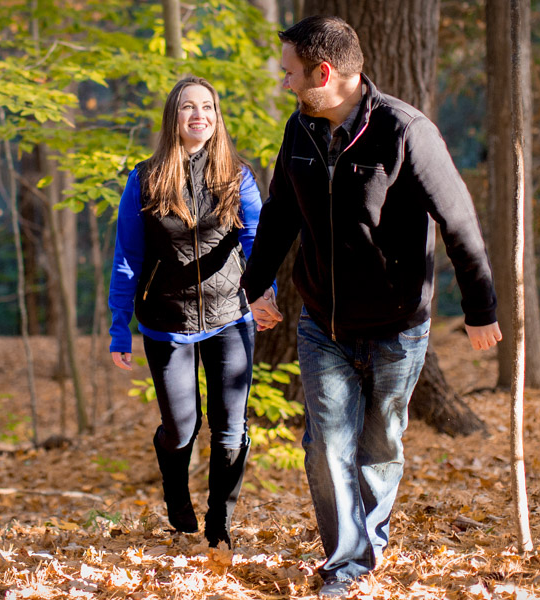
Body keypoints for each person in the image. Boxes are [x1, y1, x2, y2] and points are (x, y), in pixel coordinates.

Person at [241, 16, 503, 598]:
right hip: (322, 326)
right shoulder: (300, 131)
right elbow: (282, 213)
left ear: (324, 73)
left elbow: (458, 223)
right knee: (325, 445)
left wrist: (482, 308)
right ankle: (349, 561)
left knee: (381, 443)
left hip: (397, 326)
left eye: (290, 73)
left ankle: (368, 539)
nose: (285, 83)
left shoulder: (405, 131)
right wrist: (255, 287)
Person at [109, 75, 272, 548]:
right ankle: (175, 491)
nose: (199, 114)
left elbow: (256, 239)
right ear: (173, 118)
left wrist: (264, 294)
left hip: (230, 317)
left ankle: (220, 521)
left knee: (230, 431)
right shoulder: (144, 178)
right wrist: (121, 327)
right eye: (188, 107)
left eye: (207, 107)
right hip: (167, 322)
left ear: (217, 117)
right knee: (181, 430)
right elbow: (127, 258)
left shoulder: (237, 175)